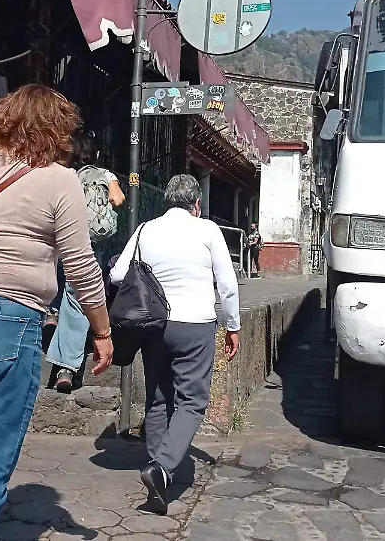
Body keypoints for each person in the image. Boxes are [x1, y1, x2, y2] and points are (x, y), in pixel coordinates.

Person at [0, 84, 113, 541]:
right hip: (7, 325)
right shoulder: (59, 180)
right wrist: (102, 330)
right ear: (58, 131)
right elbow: (80, 264)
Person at [109, 174, 240, 515]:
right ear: (197, 204)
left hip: (154, 325)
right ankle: (162, 468)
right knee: (193, 400)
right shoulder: (208, 230)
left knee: (157, 397)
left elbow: (118, 274)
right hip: (195, 326)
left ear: (168, 201)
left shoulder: (145, 230)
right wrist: (233, 325)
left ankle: (158, 480)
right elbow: (227, 283)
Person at [46, 131, 125, 393]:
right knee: (79, 295)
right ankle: (67, 367)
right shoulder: (105, 175)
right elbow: (118, 199)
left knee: (63, 287)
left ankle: (52, 318)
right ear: (96, 154)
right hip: (90, 243)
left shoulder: (65, 175)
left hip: (60, 238)